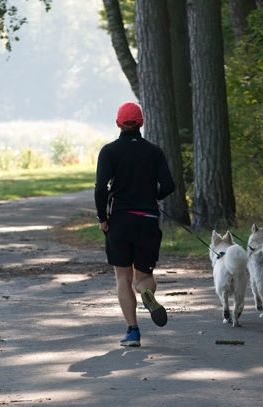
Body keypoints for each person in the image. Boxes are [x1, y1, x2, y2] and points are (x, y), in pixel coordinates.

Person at [94, 101, 175, 347]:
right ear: (141, 123)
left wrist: (103, 219)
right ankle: (146, 292)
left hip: (120, 220)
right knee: (144, 276)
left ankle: (132, 332)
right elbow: (169, 186)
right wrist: (153, 197)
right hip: (147, 221)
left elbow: (100, 189)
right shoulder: (154, 152)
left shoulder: (109, 151)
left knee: (122, 277)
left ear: (118, 123)